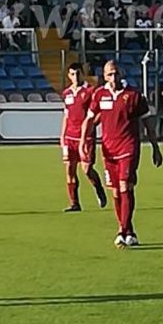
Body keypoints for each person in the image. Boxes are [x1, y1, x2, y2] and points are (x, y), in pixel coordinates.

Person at [80, 60, 163, 248]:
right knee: (116, 191)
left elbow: (148, 124)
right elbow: (89, 120)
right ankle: (128, 229)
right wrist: (82, 142)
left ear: (122, 73)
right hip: (108, 149)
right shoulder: (99, 94)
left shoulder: (134, 95)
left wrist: (155, 147)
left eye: (116, 73)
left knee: (126, 185)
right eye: (109, 74)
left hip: (129, 147)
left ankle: (122, 231)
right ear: (104, 75)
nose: (113, 77)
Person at [60, 63, 106, 212]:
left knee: (87, 169)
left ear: (83, 74)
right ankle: (74, 203)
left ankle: (98, 188)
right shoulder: (66, 93)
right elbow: (66, 116)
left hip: (85, 138)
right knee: (69, 170)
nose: (75, 77)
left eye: (78, 73)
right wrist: (62, 136)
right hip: (70, 137)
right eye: (72, 74)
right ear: (68, 75)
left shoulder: (90, 91)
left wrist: (91, 126)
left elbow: (99, 112)